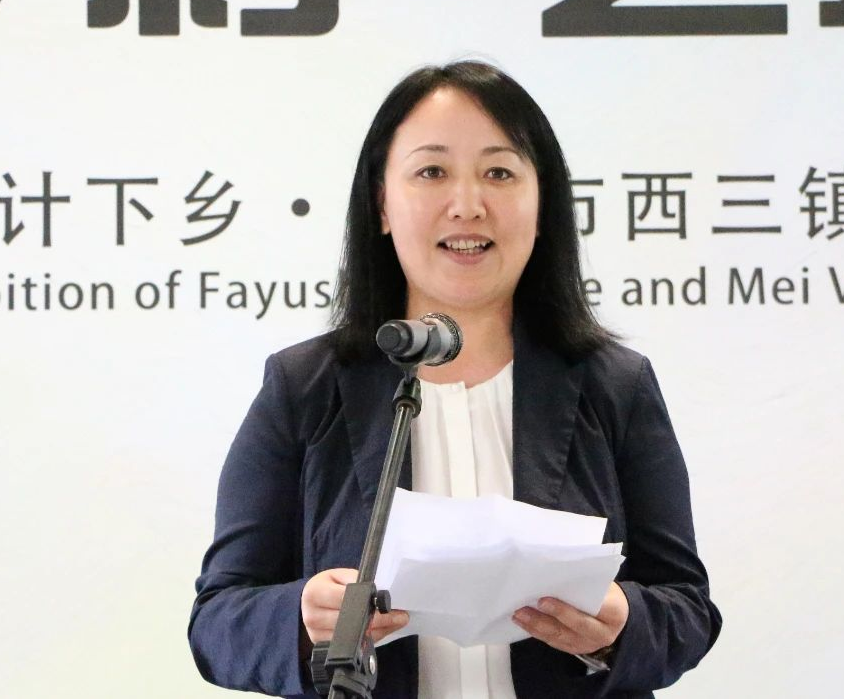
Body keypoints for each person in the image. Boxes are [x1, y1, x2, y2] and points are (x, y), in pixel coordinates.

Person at [189, 61, 722, 698]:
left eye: (499, 173)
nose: (468, 205)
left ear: (542, 205)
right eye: (432, 172)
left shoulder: (615, 386)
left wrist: (622, 625)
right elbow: (218, 620)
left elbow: (687, 608)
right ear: (381, 205)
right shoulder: (304, 387)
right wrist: (302, 618)